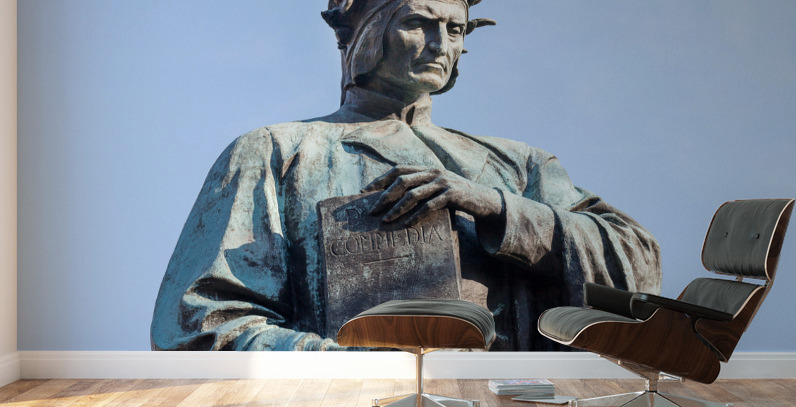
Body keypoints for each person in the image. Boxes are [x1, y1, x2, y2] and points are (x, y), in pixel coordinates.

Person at [150, 0, 662, 352]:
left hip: (505, 399)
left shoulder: (518, 164)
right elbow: (199, 321)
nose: (441, 44)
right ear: (365, 31)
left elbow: (638, 266)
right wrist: (346, 364)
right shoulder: (277, 151)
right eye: (418, 22)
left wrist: (495, 206)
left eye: (456, 29)